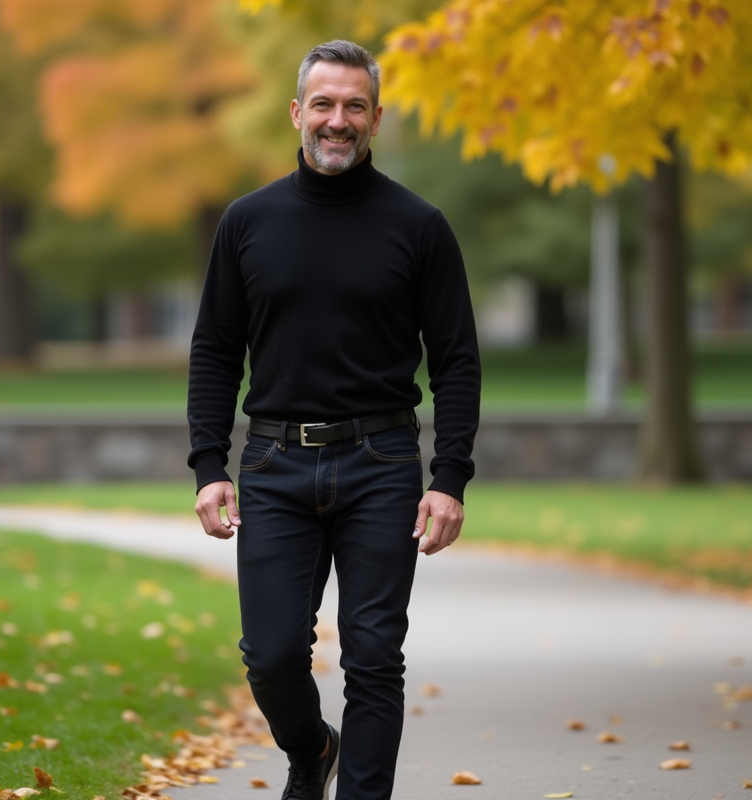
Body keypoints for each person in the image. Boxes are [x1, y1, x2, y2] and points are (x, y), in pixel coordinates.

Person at [186, 39, 481, 800]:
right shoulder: (247, 223)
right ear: (297, 113)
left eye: (355, 106)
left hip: (381, 462)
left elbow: (456, 362)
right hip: (275, 465)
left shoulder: (420, 227)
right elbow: (216, 351)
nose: (338, 120)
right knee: (272, 654)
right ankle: (312, 749)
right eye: (324, 103)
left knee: (375, 656)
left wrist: (449, 480)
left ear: (376, 118)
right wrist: (209, 467)